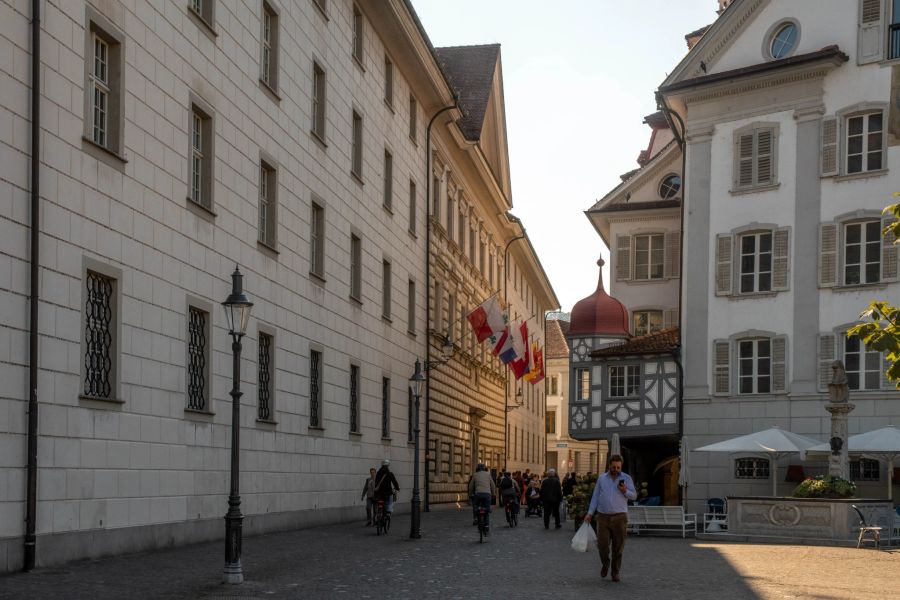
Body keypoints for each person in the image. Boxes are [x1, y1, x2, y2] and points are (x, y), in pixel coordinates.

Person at [583, 455, 636, 583]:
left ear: (621, 467)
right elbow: (595, 497)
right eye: (614, 467)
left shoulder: (626, 478)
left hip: (620, 517)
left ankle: (615, 571)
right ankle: (605, 564)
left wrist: (625, 491)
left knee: (618, 547)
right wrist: (590, 513)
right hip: (603, 517)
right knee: (602, 546)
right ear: (609, 466)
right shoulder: (602, 478)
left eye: (618, 467)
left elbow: (634, 496)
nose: (616, 469)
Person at [468, 463, 497, 534]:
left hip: (478, 494)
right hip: (487, 495)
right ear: (484, 468)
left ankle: (477, 520)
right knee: (486, 511)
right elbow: (493, 485)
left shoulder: (475, 475)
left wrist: (470, 494)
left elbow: (471, 486)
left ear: (477, 468)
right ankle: (486, 526)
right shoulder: (488, 474)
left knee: (476, 508)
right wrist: (493, 494)